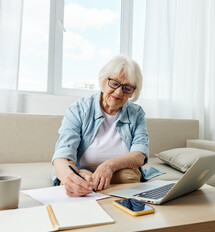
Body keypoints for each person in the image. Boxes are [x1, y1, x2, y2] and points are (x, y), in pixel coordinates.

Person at [51, 55, 149, 197]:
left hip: (119, 171)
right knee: (80, 182)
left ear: (133, 92)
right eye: (114, 83)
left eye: (127, 88)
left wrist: (108, 165)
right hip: (83, 170)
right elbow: (63, 154)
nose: (119, 92)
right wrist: (69, 177)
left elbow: (140, 155)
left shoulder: (136, 113)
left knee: (128, 176)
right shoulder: (79, 109)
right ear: (104, 81)